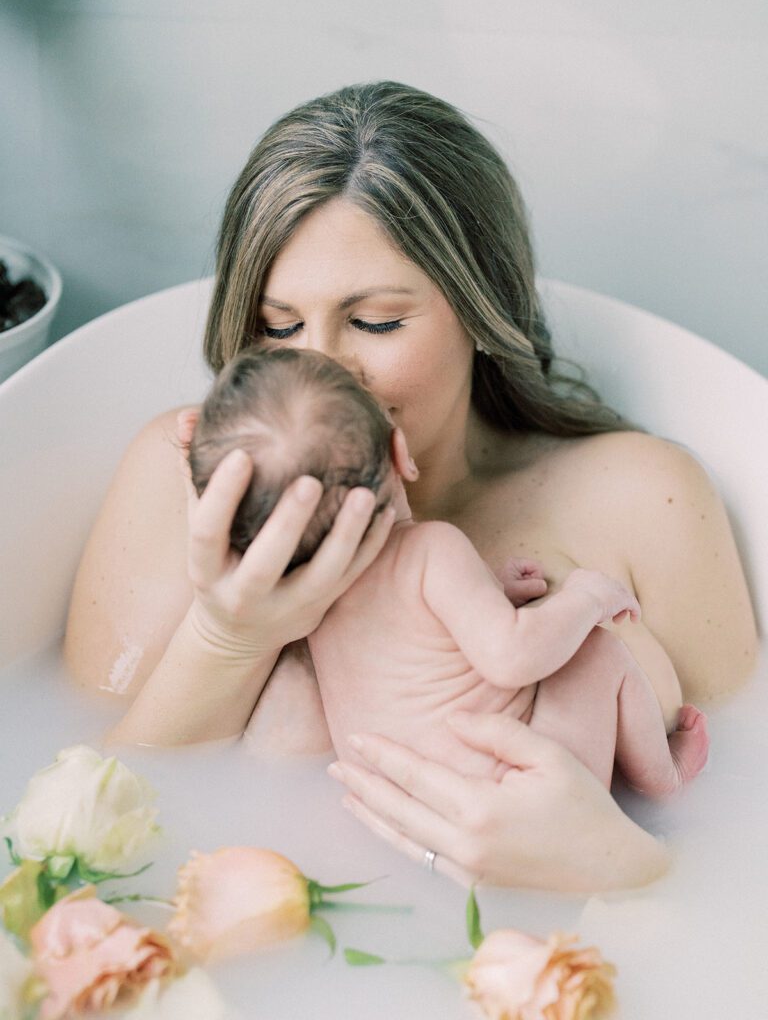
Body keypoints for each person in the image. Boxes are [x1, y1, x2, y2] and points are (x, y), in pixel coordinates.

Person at [64, 81, 757, 891]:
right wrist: (232, 634)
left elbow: (744, 806)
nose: (318, 365)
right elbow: (91, 824)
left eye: (377, 322)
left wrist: (624, 866)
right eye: (278, 326)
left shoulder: (644, 499)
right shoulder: (183, 484)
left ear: (482, 305)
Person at [189, 345, 709, 798]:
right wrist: (586, 596)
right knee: (595, 650)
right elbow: (511, 659)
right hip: (526, 787)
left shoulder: (313, 605)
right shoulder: (431, 548)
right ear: (401, 453)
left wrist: (492, 592)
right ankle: (666, 774)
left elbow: (419, 643)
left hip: (414, 805)